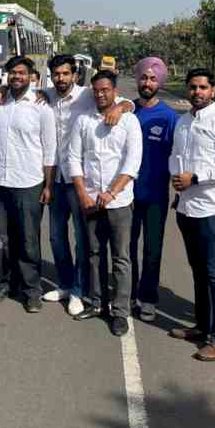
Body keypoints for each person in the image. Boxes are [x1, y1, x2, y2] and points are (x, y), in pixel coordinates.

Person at [43, 53, 133, 316]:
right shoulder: (45, 95)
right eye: (56, 74)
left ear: (74, 74)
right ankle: (65, 283)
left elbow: (125, 101)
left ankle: (80, 291)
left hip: (80, 179)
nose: (60, 78)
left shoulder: (87, 94)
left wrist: (121, 107)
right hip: (54, 177)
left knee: (83, 240)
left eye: (65, 73)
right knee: (56, 236)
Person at [169, 67, 215, 362]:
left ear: (212, 91)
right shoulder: (183, 122)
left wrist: (196, 178)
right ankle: (202, 326)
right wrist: (178, 181)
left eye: (202, 87)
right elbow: (177, 158)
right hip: (187, 208)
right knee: (199, 272)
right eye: (192, 87)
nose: (197, 92)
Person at [68, 71, 143, 336]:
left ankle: (120, 312)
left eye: (106, 90)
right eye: (96, 90)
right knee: (93, 255)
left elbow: (132, 162)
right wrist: (82, 193)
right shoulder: (83, 121)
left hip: (119, 202)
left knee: (121, 258)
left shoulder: (129, 121)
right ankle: (97, 304)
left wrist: (112, 192)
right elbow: (73, 159)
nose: (101, 95)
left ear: (115, 91)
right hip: (90, 200)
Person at [0, 56, 56, 312]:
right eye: (13, 73)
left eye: (22, 73)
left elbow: (50, 150)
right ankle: (7, 283)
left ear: (31, 76)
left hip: (30, 183)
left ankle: (32, 289)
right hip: (2, 182)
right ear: (7, 75)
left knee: (28, 239)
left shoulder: (41, 106)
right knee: (6, 239)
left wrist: (48, 185)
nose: (17, 77)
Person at [130, 56, 179, 322]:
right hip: (125, 195)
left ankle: (147, 298)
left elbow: (178, 157)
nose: (147, 82)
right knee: (125, 249)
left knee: (152, 250)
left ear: (159, 82)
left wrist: (180, 191)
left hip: (155, 196)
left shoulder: (169, 117)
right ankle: (127, 293)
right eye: (143, 77)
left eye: (152, 78)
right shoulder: (124, 110)